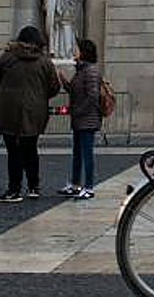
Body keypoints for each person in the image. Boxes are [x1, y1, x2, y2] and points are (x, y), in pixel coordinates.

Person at [0, 24, 61, 202]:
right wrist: (40, 97)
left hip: (7, 109)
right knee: (31, 148)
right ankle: (33, 186)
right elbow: (54, 87)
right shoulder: (44, 62)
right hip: (35, 111)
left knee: (13, 151)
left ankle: (14, 189)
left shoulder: (7, 58)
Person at [59, 38, 102, 199]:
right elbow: (77, 91)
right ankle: (75, 184)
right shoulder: (81, 70)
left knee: (86, 153)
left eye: (77, 49)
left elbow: (93, 96)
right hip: (80, 119)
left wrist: (78, 111)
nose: (74, 51)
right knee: (77, 152)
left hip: (87, 120)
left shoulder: (90, 71)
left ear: (84, 52)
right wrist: (65, 82)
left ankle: (89, 186)